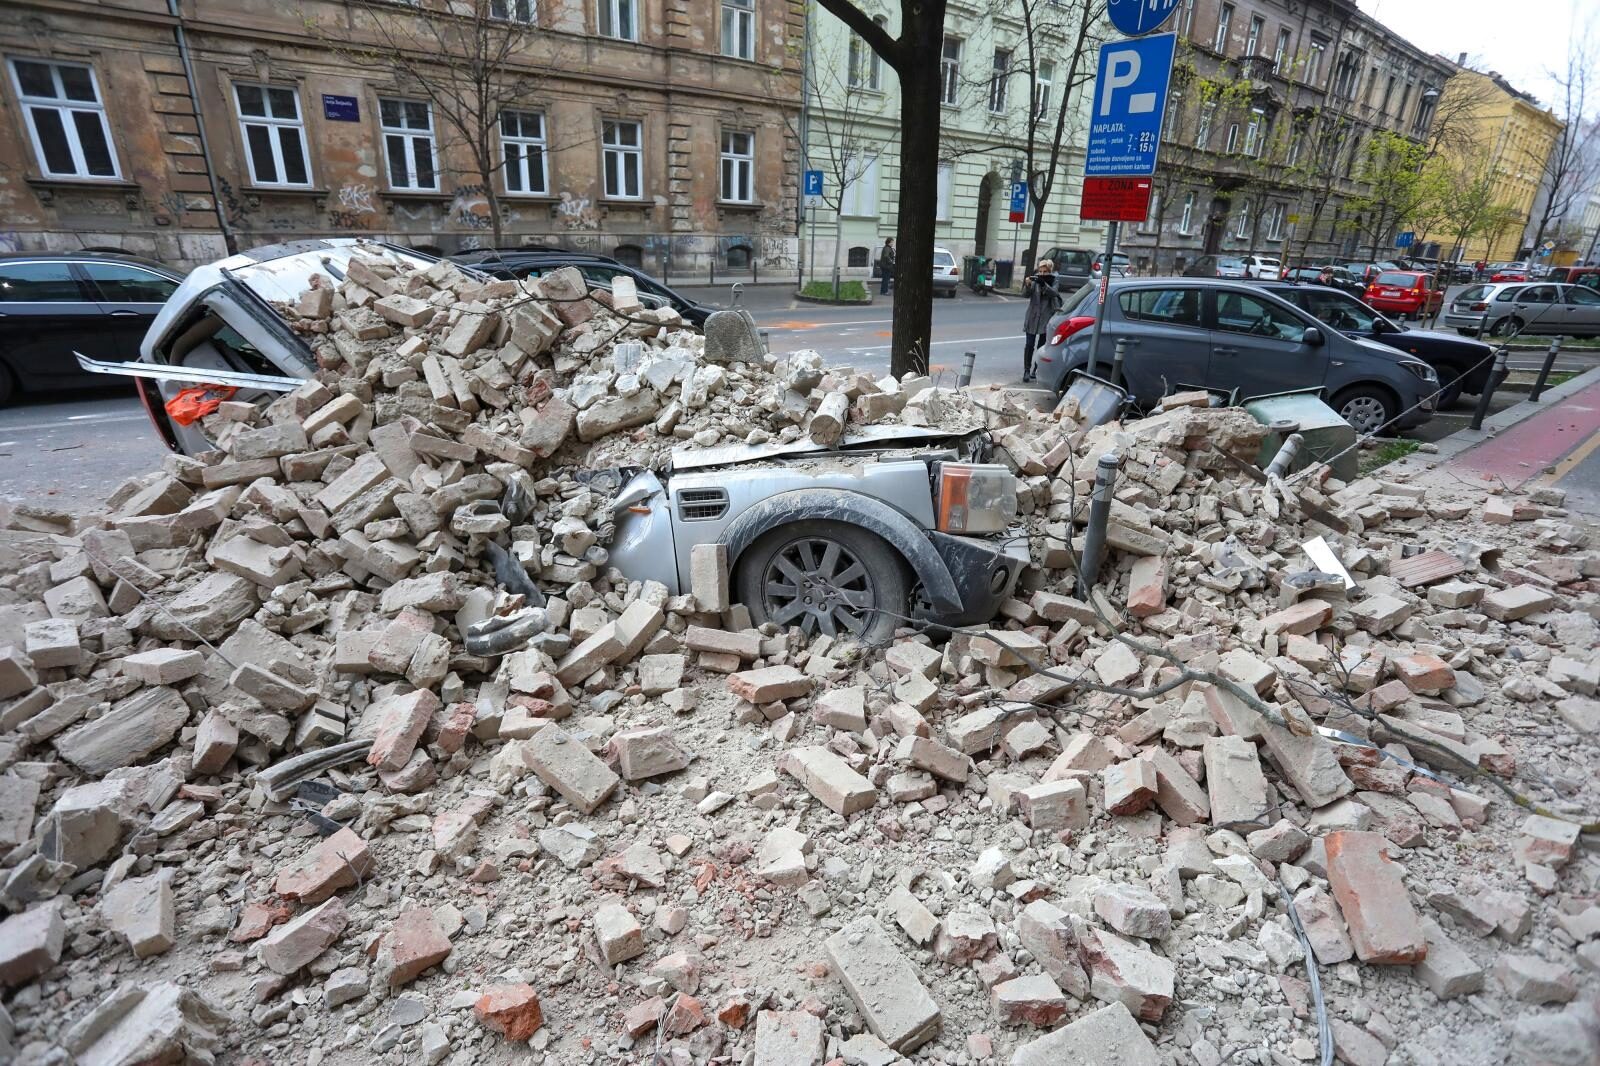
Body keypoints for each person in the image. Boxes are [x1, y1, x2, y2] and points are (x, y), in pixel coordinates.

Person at [1021, 258, 1060, 383]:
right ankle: (1027, 370)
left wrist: (1044, 284)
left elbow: (1054, 293)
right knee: (1029, 345)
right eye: (1040, 271)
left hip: (1046, 317)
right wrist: (1028, 284)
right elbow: (1025, 295)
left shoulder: (1054, 280)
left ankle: (1036, 369)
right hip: (1032, 317)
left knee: (1041, 346)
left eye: (1045, 271)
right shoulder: (1035, 279)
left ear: (1050, 271)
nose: (1042, 274)